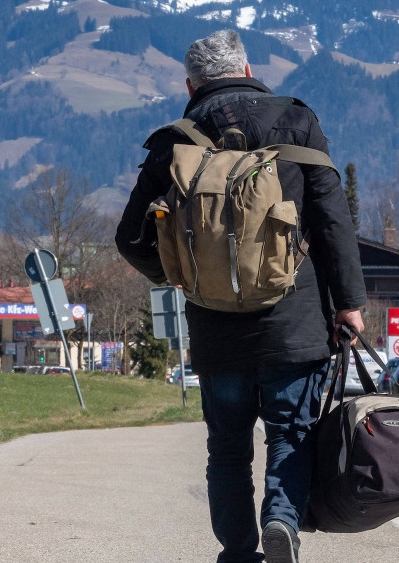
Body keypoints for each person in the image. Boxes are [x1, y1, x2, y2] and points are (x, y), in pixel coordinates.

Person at [115, 30, 367, 563]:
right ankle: (281, 521)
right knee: (290, 434)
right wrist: (349, 303)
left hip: (216, 328)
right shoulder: (296, 120)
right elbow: (332, 221)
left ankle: (237, 552)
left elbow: (129, 238)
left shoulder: (175, 140)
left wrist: (180, 275)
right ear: (248, 70)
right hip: (294, 323)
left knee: (227, 449)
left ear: (191, 85)